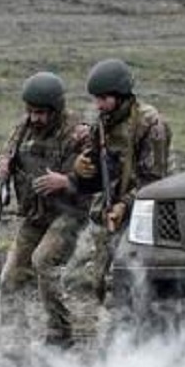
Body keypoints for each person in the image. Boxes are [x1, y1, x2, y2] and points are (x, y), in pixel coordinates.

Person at [0, 72, 95, 348]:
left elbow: (96, 176)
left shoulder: (78, 134)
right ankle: (12, 338)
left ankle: (60, 334)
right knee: (11, 275)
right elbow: (9, 151)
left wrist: (65, 181)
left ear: (55, 109)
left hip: (68, 213)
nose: (34, 118)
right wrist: (4, 164)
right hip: (34, 213)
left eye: (40, 113)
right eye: (30, 111)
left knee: (44, 261)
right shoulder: (24, 127)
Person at [72, 58, 171, 301]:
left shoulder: (151, 124)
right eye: (96, 98)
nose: (98, 105)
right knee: (101, 284)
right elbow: (95, 175)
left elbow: (154, 183)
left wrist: (124, 205)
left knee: (134, 281)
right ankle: (114, 333)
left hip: (143, 216)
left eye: (103, 98)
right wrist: (81, 169)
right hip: (109, 214)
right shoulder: (104, 123)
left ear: (120, 94)